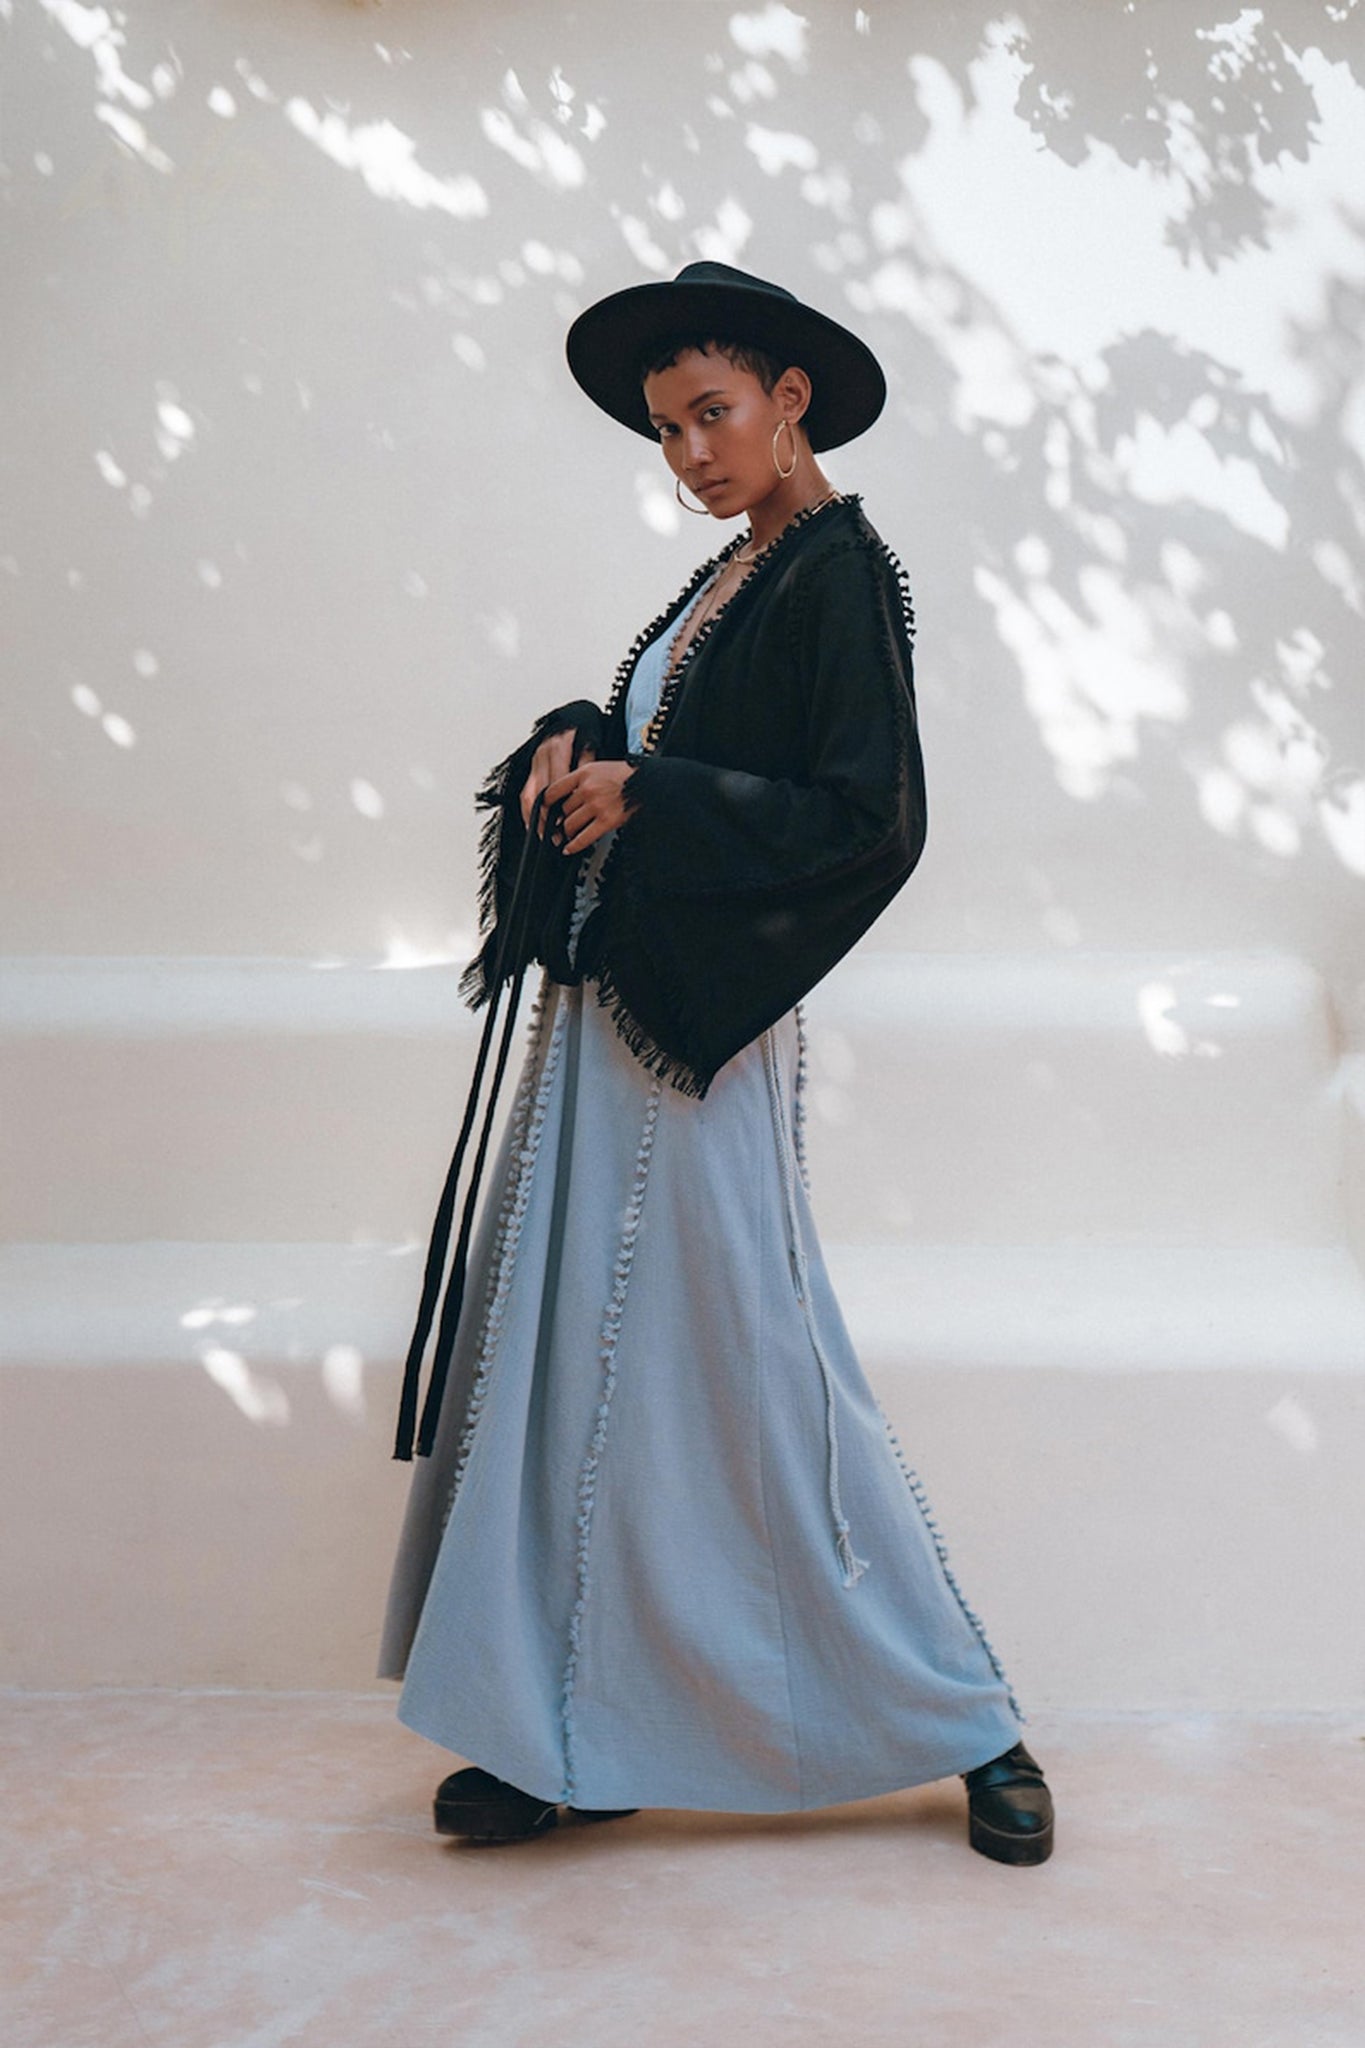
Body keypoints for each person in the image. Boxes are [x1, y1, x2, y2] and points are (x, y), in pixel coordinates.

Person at [379, 260, 1054, 1867]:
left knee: (747, 1364)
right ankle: (567, 1735)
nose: (687, 452)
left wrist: (655, 797)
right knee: (582, 1377)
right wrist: (573, 749)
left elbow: (863, 818)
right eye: (663, 430)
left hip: (697, 1040)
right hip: (605, 1032)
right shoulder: (723, 582)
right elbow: (668, 750)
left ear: (787, 399)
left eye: (711, 413)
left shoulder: (834, 572)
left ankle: (967, 1720)